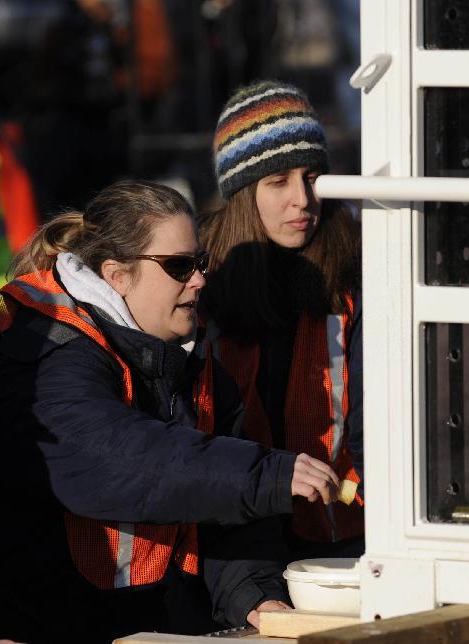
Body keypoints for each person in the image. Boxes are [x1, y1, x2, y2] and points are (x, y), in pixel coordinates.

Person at [0, 179, 341, 643]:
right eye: (178, 267)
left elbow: (225, 514)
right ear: (117, 275)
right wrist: (266, 474)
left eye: (200, 263)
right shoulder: (49, 351)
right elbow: (117, 460)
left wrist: (256, 597)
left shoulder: (195, 358)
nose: (199, 280)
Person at [199, 80, 364, 559]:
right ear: (242, 191)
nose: (303, 199)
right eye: (278, 181)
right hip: (232, 535)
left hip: (343, 527)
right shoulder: (198, 277)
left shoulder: (355, 268)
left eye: (312, 177)